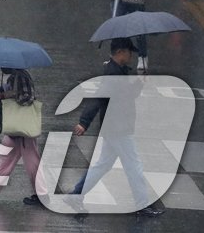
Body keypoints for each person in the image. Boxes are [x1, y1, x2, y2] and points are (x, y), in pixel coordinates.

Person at [68, 38, 165, 217]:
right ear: (120, 52)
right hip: (118, 127)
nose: (130, 56)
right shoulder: (113, 74)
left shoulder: (118, 71)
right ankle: (141, 205)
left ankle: (75, 195)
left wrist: (139, 82)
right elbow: (100, 97)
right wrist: (84, 122)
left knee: (103, 165)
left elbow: (127, 95)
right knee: (134, 165)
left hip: (116, 126)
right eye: (129, 52)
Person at [0, 67, 49, 206]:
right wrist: (1, 91)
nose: (2, 68)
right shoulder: (14, 77)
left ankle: (42, 195)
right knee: (6, 157)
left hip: (23, 127)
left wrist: (7, 95)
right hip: (15, 128)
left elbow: (27, 97)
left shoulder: (21, 76)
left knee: (31, 161)